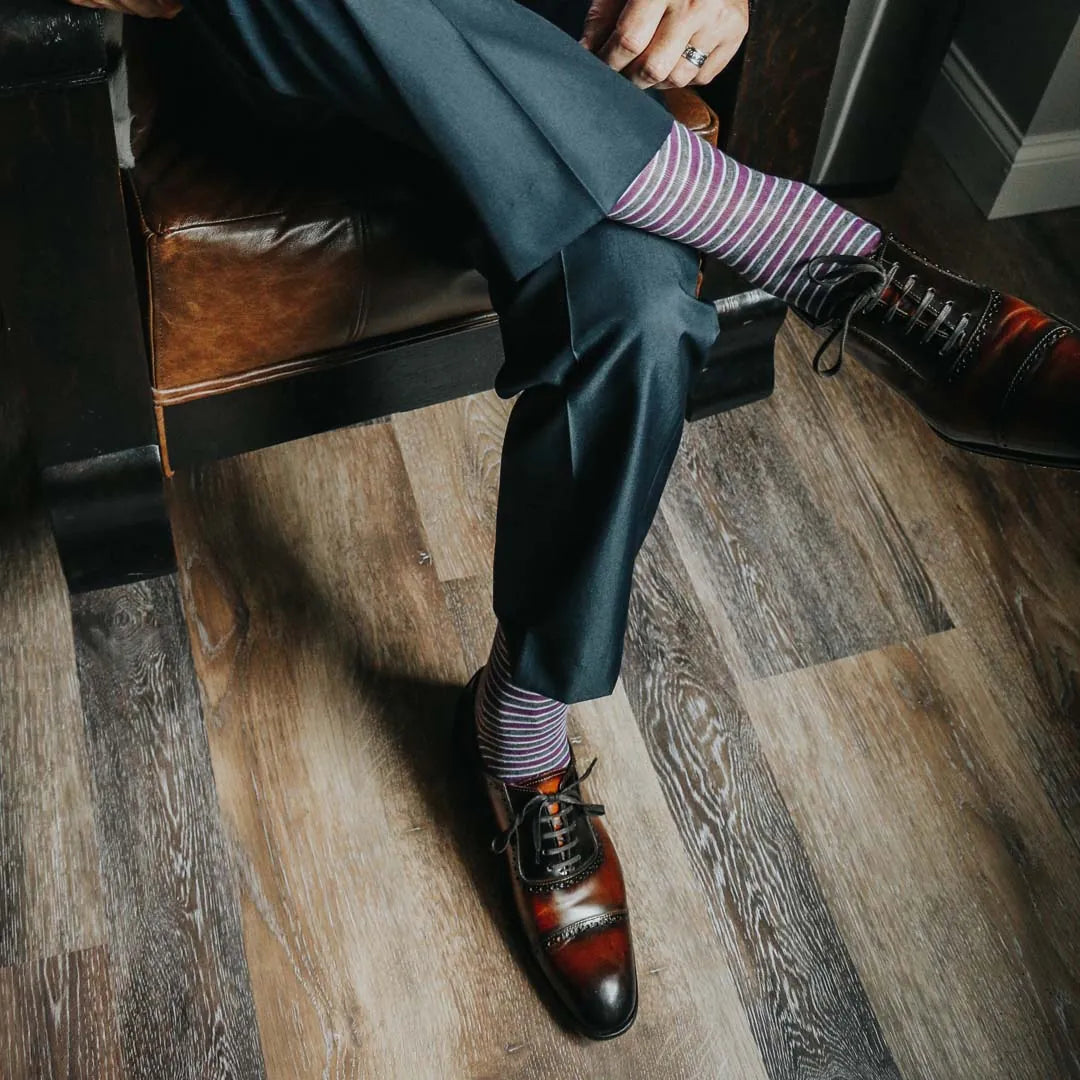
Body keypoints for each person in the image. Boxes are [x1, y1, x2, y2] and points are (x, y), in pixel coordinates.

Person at [71, 0, 1080, 1039]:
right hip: (297, 60)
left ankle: (518, 722)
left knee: (640, 313)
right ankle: (826, 259)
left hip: (522, 67)